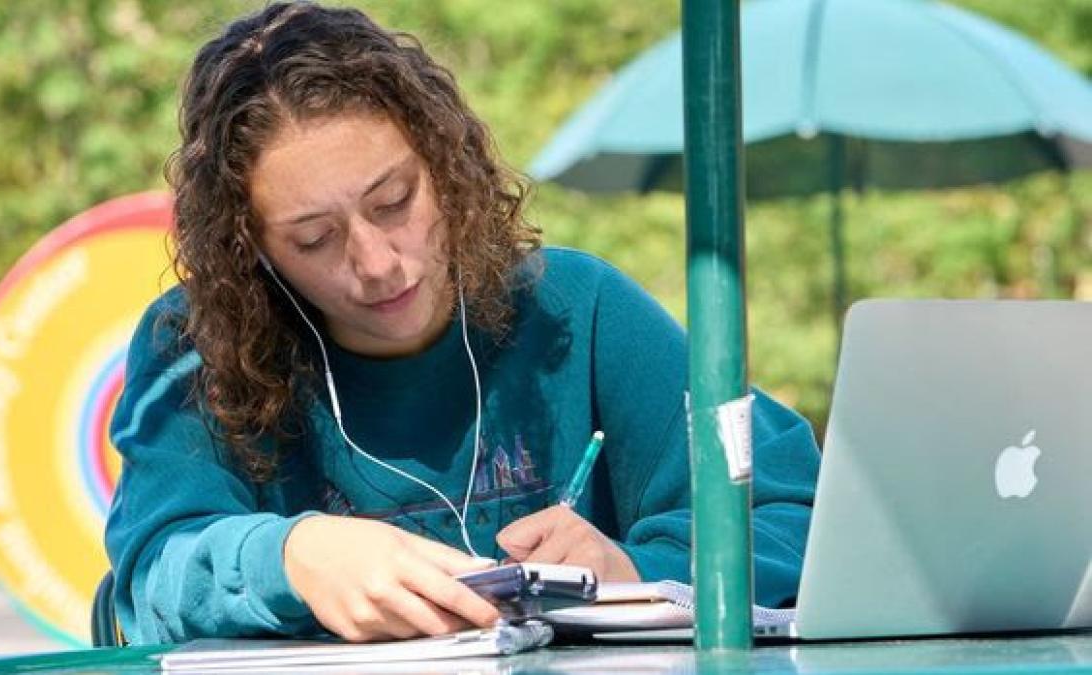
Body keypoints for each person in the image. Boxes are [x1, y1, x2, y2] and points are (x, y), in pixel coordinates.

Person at [105, 1, 820, 645]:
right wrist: (290, 558)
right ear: (252, 250)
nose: (378, 262)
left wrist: (637, 569)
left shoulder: (578, 308)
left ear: (444, 164)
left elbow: (792, 503)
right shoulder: (194, 348)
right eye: (314, 239)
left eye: (393, 201)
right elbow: (143, 584)